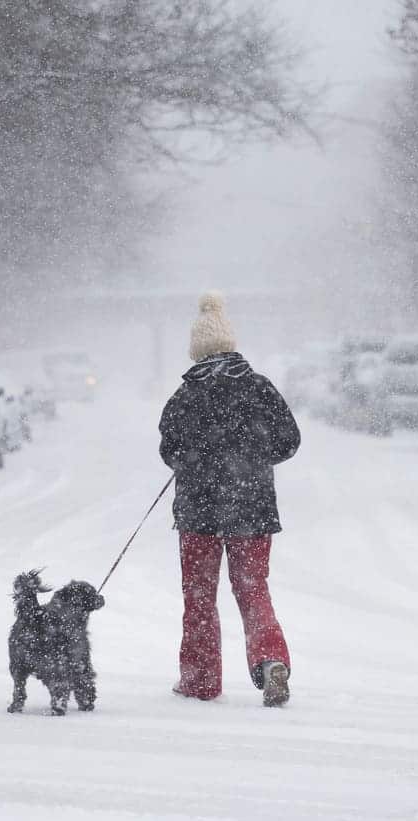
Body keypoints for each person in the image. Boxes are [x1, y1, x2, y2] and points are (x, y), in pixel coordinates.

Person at [159, 292, 301, 707]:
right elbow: (289, 441)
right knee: (253, 589)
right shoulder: (259, 388)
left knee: (200, 597)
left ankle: (200, 679)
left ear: (197, 349)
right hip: (251, 508)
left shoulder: (186, 396)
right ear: (231, 344)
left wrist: (196, 462)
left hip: (197, 512)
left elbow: (169, 450)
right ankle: (271, 659)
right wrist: (253, 460)